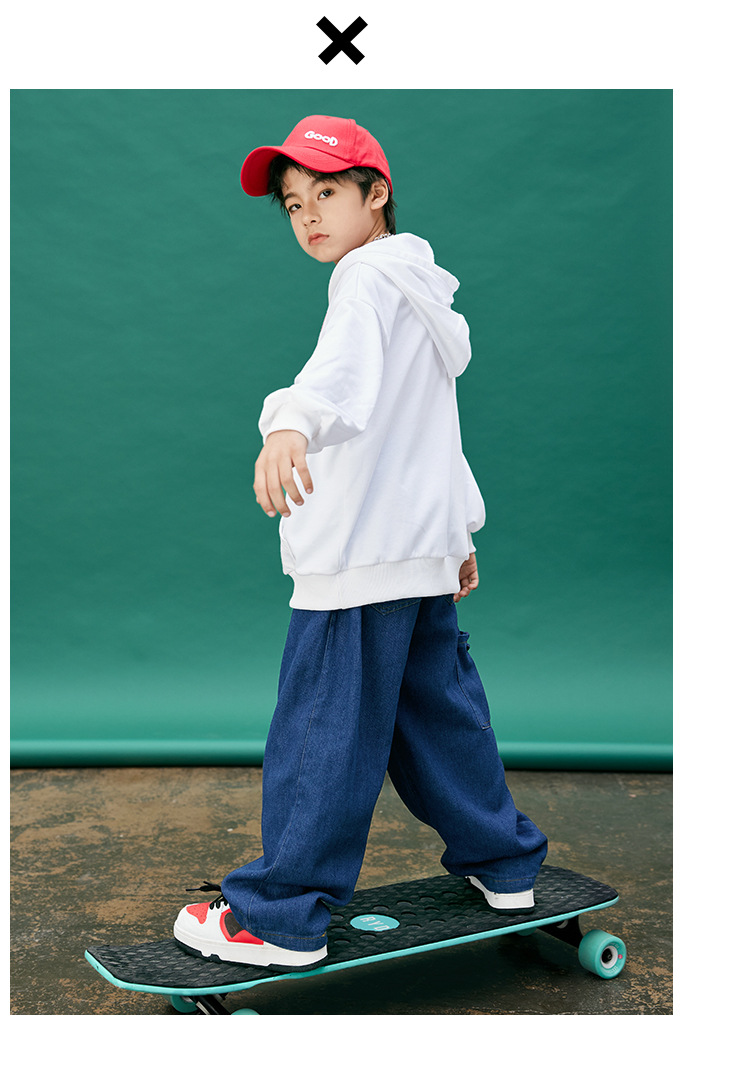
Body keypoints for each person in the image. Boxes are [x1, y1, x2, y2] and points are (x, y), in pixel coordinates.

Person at [173, 115, 548, 970]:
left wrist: (290, 422)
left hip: (358, 559)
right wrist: (457, 530)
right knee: (441, 719)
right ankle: (504, 864)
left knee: (322, 731)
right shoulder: (418, 288)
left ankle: (279, 917)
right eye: (293, 204)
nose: (308, 215)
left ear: (376, 195)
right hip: (416, 553)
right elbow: (432, 429)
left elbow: (334, 378)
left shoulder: (365, 280)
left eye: (326, 193)